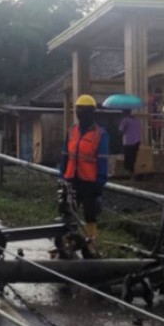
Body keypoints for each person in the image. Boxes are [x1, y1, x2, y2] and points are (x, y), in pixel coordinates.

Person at [59, 94, 110, 255]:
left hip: (90, 181)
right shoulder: (72, 131)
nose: (80, 113)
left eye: (84, 110)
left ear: (92, 112)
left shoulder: (101, 134)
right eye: (78, 109)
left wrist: (100, 181)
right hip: (71, 179)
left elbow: (102, 159)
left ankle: (91, 245)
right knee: (68, 211)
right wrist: (62, 175)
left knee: (90, 214)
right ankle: (69, 242)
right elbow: (65, 155)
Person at [118, 109, 142, 179]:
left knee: (128, 158)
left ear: (125, 113)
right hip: (137, 141)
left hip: (128, 141)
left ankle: (129, 174)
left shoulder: (125, 120)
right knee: (133, 157)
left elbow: (120, 131)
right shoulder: (137, 120)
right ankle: (133, 172)